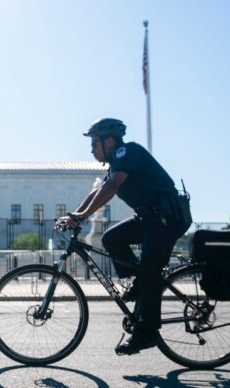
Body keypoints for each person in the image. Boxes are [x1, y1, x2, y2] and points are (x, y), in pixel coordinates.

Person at [60, 118, 190, 355]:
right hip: (150, 219)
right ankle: (138, 284)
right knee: (111, 239)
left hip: (167, 220)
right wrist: (75, 214)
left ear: (109, 141)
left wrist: (80, 217)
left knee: (150, 273)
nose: (91, 150)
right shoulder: (114, 164)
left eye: (94, 144)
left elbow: (110, 189)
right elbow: (97, 191)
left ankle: (146, 333)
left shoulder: (128, 152)